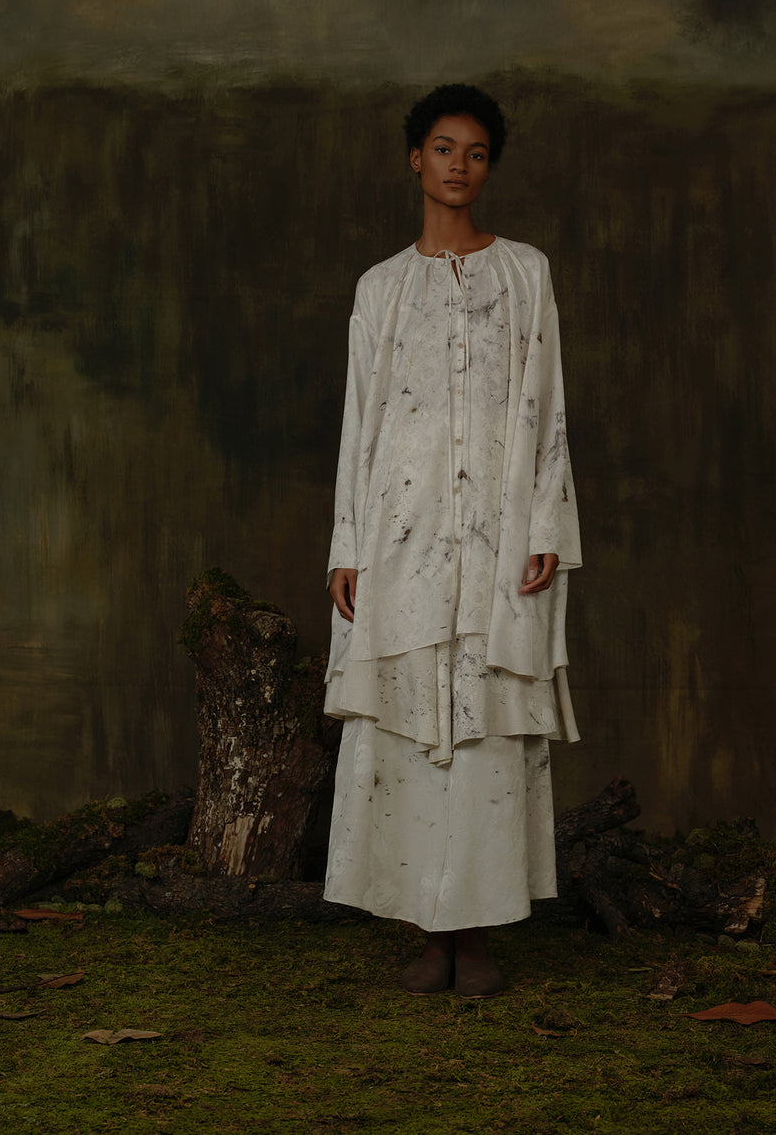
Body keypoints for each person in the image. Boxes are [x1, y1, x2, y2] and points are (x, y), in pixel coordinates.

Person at [323, 83, 581, 998]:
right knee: (408, 720)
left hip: (499, 539)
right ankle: (427, 928)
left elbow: (547, 405)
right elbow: (361, 418)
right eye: (443, 148)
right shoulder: (382, 288)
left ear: (489, 165)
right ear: (415, 159)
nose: (458, 165)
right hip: (402, 535)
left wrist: (545, 522)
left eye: (475, 151)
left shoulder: (525, 274)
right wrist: (348, 544)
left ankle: (476, 931)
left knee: (485, 724)